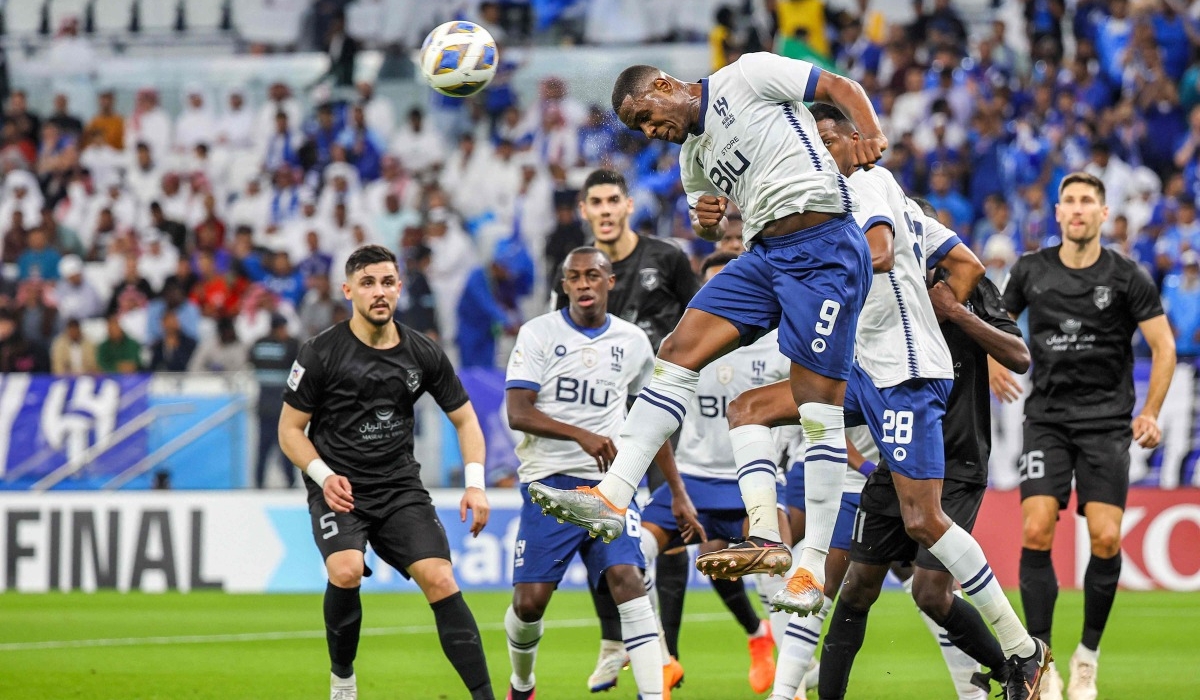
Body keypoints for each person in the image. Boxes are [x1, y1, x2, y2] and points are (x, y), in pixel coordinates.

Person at [529, 52, 882, 621]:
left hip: (825, 249)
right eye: (641, 129)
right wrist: (707, 218)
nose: (652, 132)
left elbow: (841, 84)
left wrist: (870, 132)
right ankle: (613, 496)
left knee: (818, 407)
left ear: (666, 85)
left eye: (648, 116)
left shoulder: (746, 75)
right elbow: (707, 216)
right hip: (764, 256)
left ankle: (810, 564)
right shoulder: (693, 155)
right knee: (676, 350)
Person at [719, 105, 1048, 700]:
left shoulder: (866, 184)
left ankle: (1023, 651)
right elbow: (965, 264)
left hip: (903, 370)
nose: (819, 153)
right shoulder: (871, 200)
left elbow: (873, 253)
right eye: (810, 144)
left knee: (925, 526)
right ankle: (768, 537)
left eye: (828, 140)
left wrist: (930, 320)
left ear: (853, 140)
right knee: (749, 408)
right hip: (865, 367)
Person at [811, 200, 1033, 700]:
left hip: (956, 460)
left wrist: (955, 312)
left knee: (931, 593)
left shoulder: (971, 288)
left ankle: (1013, 664)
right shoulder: (877, 292)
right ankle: (1016, 668)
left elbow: (1018, 355)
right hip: (897, 458)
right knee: (857, 589)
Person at [278, 245, 494, 700]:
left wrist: (475, 486)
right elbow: (290, 431)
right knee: (346, 569)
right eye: (368, 283)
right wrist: (322, 475)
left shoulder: (423, 352)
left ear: (400, 288)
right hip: (339, 488)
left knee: (441, 578)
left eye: (388, 282)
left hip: (399, 487)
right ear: (348, 290)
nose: (380, 292)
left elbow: (466, 420)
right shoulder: (320, 353)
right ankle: (342, 678)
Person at [999, 172, 1177, 700]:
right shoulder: (1031, 270)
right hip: (1047, 420)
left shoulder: (1127, 277)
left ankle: (1087, 659)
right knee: (1035, 529)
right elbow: (997, 323)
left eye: (1087, 202)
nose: (1077, 210)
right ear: (1057, 213)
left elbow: (1164, 347)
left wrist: (1151, 412)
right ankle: (1041, 660)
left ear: (1103, 214)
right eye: (1069, 201)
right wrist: (989, 362)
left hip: (1106, 424)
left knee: (1105, 537)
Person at [547, 168, 702, 691]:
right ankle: (616, 640)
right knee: (598, 526)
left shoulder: (668, 259)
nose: (606, 209)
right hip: (602, 420)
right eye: (596, 202)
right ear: (585, 211)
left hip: (661, 414)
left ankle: (667, 653)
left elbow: (704, 319)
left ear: (628, 205)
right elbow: (556, 341)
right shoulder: (572, 269)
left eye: (614, 199)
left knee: (666, 530)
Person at [503, 247, 681, 700]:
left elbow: (652, 421)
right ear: (564, 285)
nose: (583, 284)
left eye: (592, 275)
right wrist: (580, 434)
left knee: (629, 581)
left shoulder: (632, 341)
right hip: (549, 482)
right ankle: (522, 683)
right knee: (529, 604)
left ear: (610, 281)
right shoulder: (538, 333)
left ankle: (652, 695)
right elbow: (518, 411)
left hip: (610, 487)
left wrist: (677, 491)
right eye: (574, 277)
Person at [636, 251, 792, 694]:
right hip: (693, 477)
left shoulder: (778, 343)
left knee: (777, 569)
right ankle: (661, 659)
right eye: (712, 288)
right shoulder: (683, 344)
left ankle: (792, 680)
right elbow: (657, 419)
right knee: (633, 556)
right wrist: (674, 485)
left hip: (752, 482)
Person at [250, 314, 299, 488]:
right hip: (281, 406)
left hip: (264, 405)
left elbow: (252, 361)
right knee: (284, 448)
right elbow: (295, 362)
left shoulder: (258, 344)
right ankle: (289, 482)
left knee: (263, 449)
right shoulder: (290, 344)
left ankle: (258, 483)